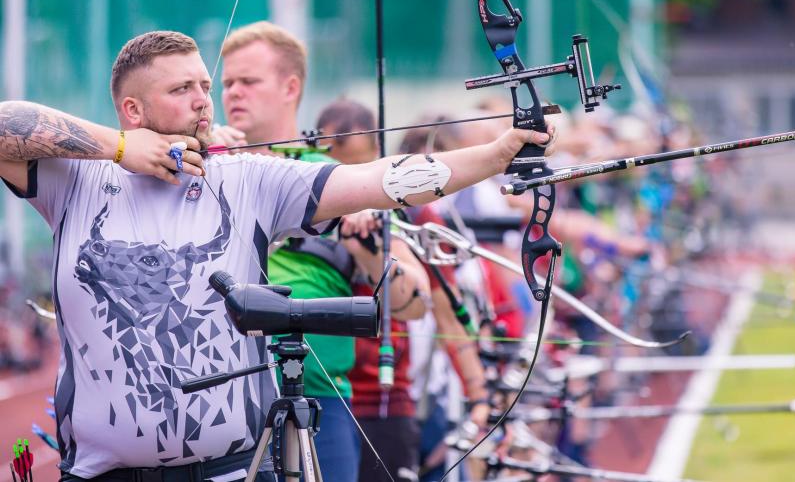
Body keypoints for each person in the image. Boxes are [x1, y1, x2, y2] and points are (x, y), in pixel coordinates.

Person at [0, 30, 552, 481]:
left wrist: (495, 154)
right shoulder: (75, 180)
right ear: (132, 109)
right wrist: (119, 147)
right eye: (181, 89)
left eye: (205, 85)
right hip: (101, 474)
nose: (203, 99)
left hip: (230, 471)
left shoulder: (249, 178)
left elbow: (381, 180)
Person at [215, 21, 431, 482]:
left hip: (318, 400)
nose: (233, 93)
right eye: (228, 83)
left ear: (290, 87)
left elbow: (415, 302)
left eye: (248, 81)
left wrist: (366, 247)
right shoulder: (209, 166)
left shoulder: (336, 177)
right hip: (220, 395)